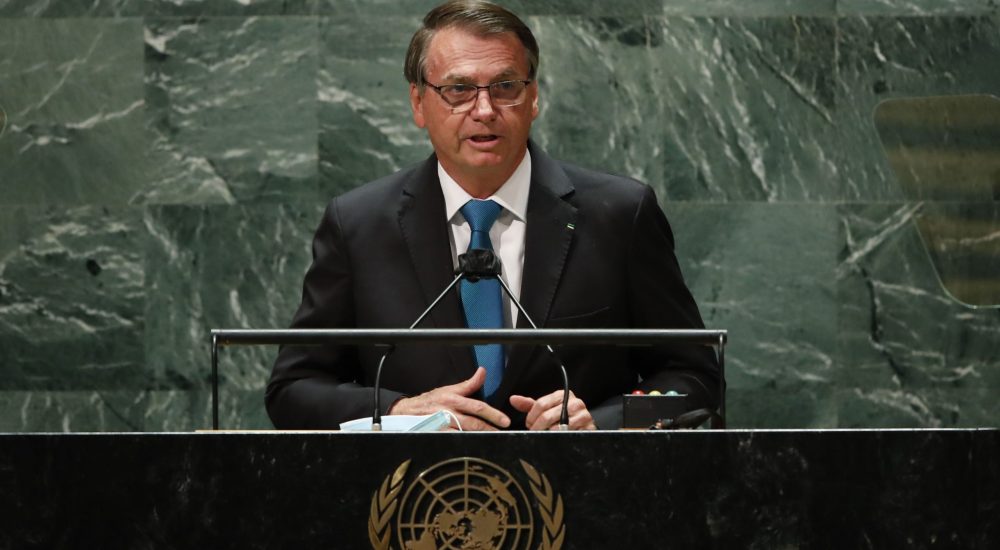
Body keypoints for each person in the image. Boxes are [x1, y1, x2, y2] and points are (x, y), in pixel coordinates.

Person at [266, 0, 719, 431]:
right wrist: (398, 412)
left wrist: (601, 423)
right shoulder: (358, 226)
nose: (484, 111)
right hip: (417, 484)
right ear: (418, 103)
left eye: (505, 87)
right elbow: (294, 388)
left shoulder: (619, 215)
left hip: (582, 479)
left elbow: (694, 376)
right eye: (458, 90)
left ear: (533, 97)